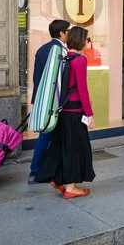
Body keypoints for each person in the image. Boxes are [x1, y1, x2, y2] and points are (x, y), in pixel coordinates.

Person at [35, 27, 96, 199]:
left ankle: (58, 179)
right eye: (86, 38)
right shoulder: (80, 60)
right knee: (76, 148)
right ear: (80, 40)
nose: (87, 41)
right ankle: (71, 187)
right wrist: (89, 114)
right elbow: (82, 89)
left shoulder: (63, 58)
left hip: (61, 111)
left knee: (62, 145)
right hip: (75, 111)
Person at [28, 19, 70, 184]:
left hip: (42, 100)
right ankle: (37, 171)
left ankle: (40, 170)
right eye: (68, 31)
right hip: (54, 103)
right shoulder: (59, 51)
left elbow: (37, 77)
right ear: (62, 33)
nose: (70, 34)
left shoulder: (43, 49)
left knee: (46, 136)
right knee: (47, 136)